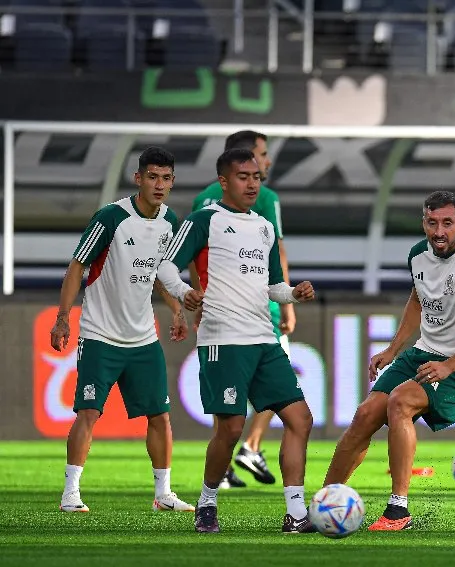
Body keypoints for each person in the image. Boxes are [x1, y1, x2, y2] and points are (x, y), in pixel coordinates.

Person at [156, 148, 316, 534]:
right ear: (224, 181)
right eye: (243, 176)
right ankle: (207, 504)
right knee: (230, 430)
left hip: (264, 338)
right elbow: (165, 267)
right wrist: (184, 292)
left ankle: (295, 514)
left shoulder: (263, 227)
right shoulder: (204, 221)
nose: (252, 183)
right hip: (223, 340)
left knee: (300, 418)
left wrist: (294, 294)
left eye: (257, 177)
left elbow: (274, 286)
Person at [323, 190, 455, 532]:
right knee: (365, 414)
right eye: (432, 223)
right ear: (424, 223)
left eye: (448, 223)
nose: (439, 231)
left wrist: (449, 366)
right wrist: (393, 348)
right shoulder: (418, 255)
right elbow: (417, 300)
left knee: (400, 401)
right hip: (424, 351)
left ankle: (398, 510)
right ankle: (325, 502)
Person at [52, 146, 194, 514]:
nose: (159, 185)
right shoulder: (111, 218)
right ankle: (71, 492)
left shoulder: (170, 223)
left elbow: (163, 275)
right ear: (138, 178)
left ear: (172, 182)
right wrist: (64, 316)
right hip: (100, 335)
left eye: (166, 178)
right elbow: (77, 266)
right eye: (152, 177)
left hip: (143, 338)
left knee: (160, 416)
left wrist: (177, 311)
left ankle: (163, 494)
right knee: (89, 413)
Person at [191, 130, 293, 489]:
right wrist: (288, 306)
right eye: (262, 155)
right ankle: (251, 446)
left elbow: (196, 255)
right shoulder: (264, 197)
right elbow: (276, 249)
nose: (266, 163)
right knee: (275, 388)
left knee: (227, 405)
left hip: (216, 308)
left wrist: (199, 294)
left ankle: (224, 468)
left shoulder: (203, 199)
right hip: (258, 309)